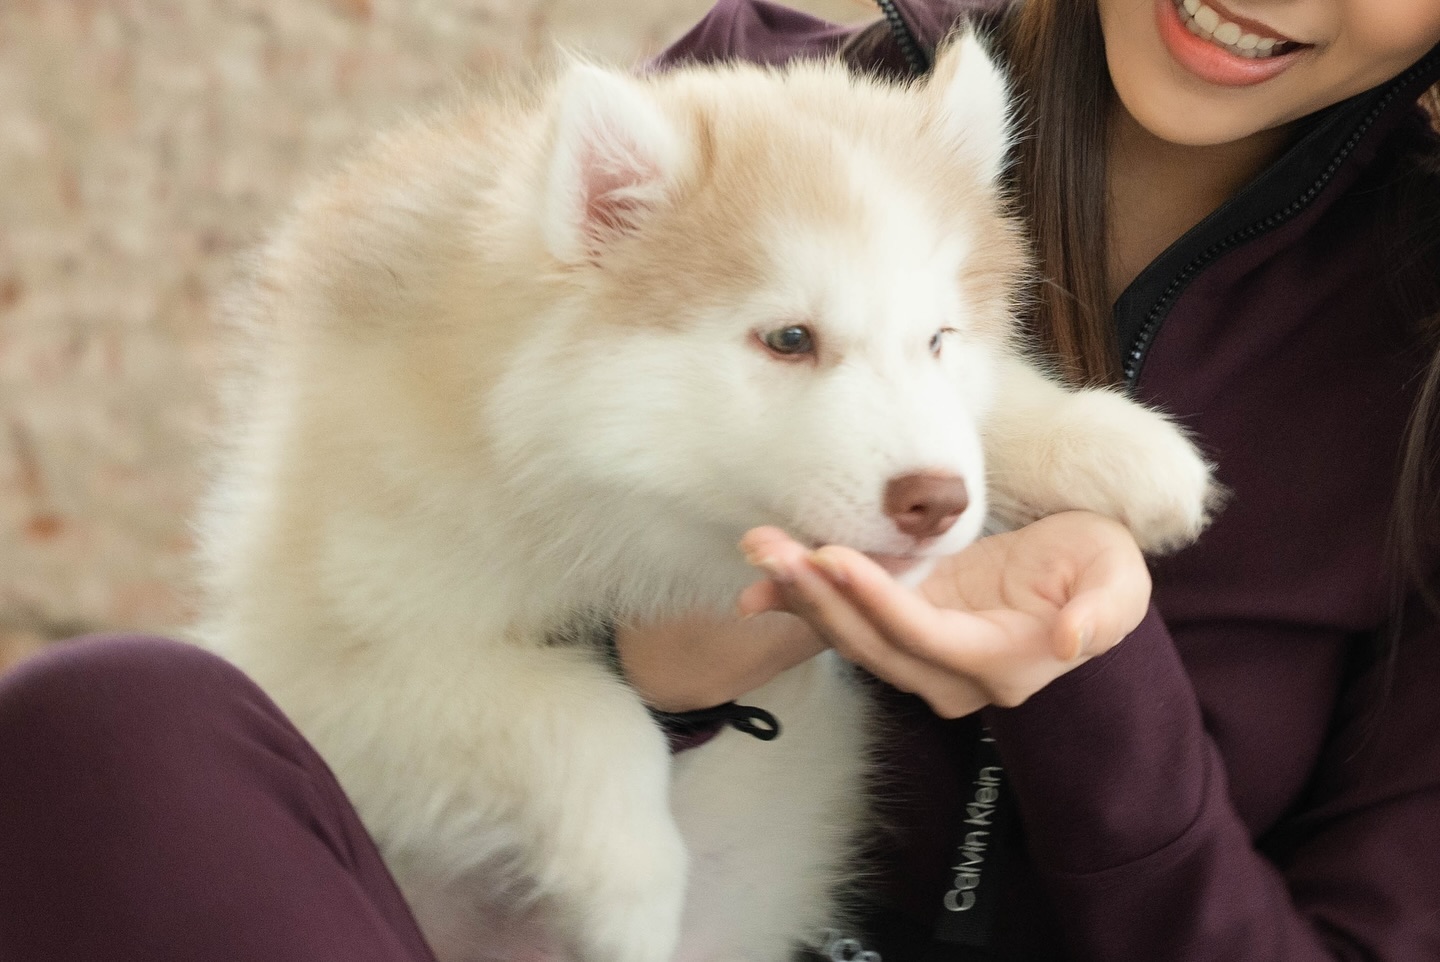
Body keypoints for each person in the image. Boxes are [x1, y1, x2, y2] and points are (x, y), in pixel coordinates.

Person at [0, 1, 1437, 960]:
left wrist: (1083, 687)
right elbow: (405, 586)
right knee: (114, 720)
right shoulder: (774, 89)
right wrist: (669, 681)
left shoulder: (1416, 347)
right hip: (504, 895)